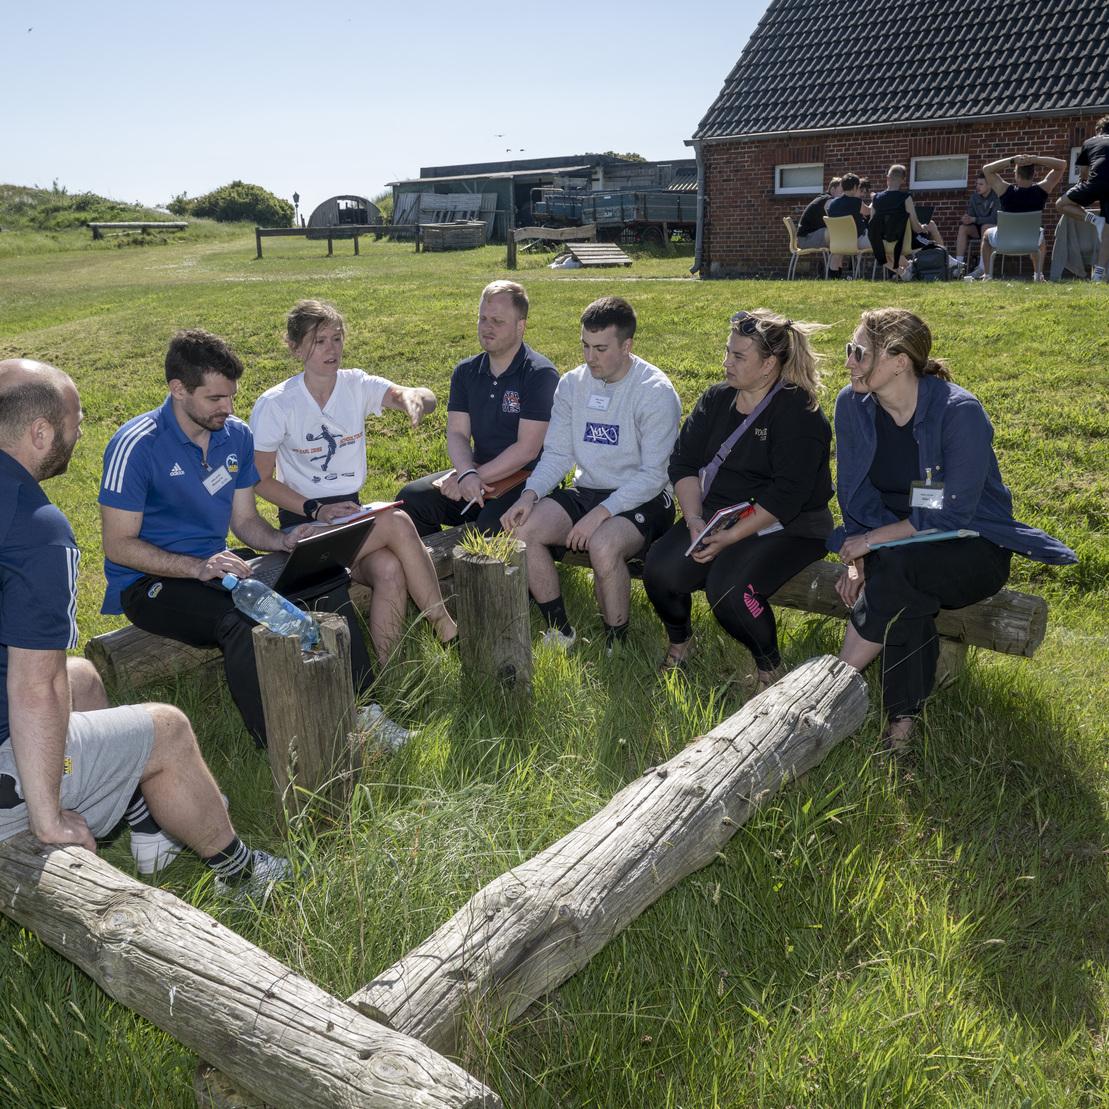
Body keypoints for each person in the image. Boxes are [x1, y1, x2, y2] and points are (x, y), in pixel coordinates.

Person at [0, 358, 287, 899]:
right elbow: (32, 686)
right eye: (74, 418)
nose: (81, 428)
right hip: (5, 768)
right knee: (167, 728)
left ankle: (145, 821)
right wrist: (48, 820)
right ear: (39, 432)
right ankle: (239, 870)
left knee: (81, 676)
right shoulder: (36, 530)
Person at [98, 329, 404, 751]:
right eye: (215, 399)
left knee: (324, 577)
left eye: (231, 397)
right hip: (150, 583)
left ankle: (367, 714)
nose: (228, 408)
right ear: (178, 390)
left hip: (220, 565)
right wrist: (195, 566)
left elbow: (244, 520)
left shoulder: (235, 435)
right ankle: (287, 747)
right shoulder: (136, 445)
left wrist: (283, 540)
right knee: (241, 622)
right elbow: (118, 545)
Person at [833, 309, 1076, 748]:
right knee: (902, 582)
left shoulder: (958, 412)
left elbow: (953, 514)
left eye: (858, 352)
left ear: (899, 361)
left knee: (900, 571)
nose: (848, 361)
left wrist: (870, 543)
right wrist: (865, 555)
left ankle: (835, 687)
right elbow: (853, 493)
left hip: (971, 547)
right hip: (895, 544)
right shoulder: (852, 404)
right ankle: (901, 725)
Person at [250, 300, 456, 663]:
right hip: (304, 529)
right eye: (319, 341)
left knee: (390, 570)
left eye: (337, 338)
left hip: (350, 516)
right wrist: (317, 509)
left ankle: (388, 672)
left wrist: (413, 398)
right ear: (296, 348)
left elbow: (422, 396)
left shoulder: (355, 384)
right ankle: (444, 625)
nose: (332, 349)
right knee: (396, 520)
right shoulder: (277, 404)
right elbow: (260, 480)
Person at [642, 310, 833, 686]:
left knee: (729, 590)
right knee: (659, 569)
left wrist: (729, 538)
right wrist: (696, 520)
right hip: (716, 515)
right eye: (727, 352)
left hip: (788, 525)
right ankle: (681, 643)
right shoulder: (716, 399)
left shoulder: (799, 412)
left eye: (738, 356)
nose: (726, 362)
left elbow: (787, 495)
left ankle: (769, 669)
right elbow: (682, 463)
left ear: (768, 365)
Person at [501, 297, 681, 652]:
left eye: (600, 348)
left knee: (603, 544)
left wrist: (600, 516)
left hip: (644, 494)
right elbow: (558, 454)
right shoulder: (572, 384)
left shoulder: (655, 392)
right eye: (584, 345)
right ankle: (560, 631)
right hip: (589, 490)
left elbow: (652, 476)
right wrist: (530, 495)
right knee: (523, 531)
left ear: (627, 346)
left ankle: (616, 643)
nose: (589, 357)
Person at [397, 281, 559, 537]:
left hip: (527, 479)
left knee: (491, 525)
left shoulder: (540, 374)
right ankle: (435, 569)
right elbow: (458, 434)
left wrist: (472, 476)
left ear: (521, 325)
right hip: (477, 473)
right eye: (482, 318)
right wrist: (466, 473)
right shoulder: (466, 371)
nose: (487, 327)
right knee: (411, 500)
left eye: (497, 320)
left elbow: (527, 450)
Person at [979, 153, 1067, 281]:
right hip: (1031, 242)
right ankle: (1038, 275)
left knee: (986, 235)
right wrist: (1037, 159)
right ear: (1033, 174)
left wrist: (1012, 160)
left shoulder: (1004, 190)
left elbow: (987, 169)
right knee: (1040, 238)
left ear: (1017, 174)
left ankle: (987, 275)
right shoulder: (1042, 189)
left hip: (1004, 241)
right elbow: (1062, 165)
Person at [868, 165, 946, 279]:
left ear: (887, 178)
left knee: (882, 253)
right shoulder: (905, 198)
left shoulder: (876, 199)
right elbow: (915, 226)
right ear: (903, 180)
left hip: (881, 244)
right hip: (902, 244)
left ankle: (904, 272)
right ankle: (949, 262)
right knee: (928, 237)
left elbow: (872, 224)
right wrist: (923, 227)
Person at [1056, 115, 1109, 282]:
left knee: (1061, 204)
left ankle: (1094, 220)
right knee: (1108, 232)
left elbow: (1084, 173)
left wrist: (1082, 185)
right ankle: (1099, 274)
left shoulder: (1090, 142)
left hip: (1095, 182)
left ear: (1099, 130)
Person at [825, 173, 872, 278]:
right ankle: (901, 270)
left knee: (836, 254)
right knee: (882, 242)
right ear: (855, 187)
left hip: (838, 242)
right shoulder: (856, 202)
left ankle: (833, 278)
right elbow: (868, 212)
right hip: (857, 241)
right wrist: (875, 201)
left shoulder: (832, 204)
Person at [955, 172, 998, 278]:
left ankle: (982, 268)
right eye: (977, 184)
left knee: (986, 227)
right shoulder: (974, 197)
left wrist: (975, 219)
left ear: (989, 185)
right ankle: (958, 266)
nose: (977, 187)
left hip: (993, 231)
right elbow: (971, 215)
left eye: (981, 184)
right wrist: (967, 218)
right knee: (963, 228)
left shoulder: (996, 197)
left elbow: (994, 218)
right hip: (977, 228)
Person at [795, 177, 842, 249]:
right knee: (837, 232)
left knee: (837, 232)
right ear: (833, 189)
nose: (843, 194)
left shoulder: (823, 197)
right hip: (805, 239)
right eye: (841, 191)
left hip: (805, 237)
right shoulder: (828, 199)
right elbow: (833, 217)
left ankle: (835, 258)